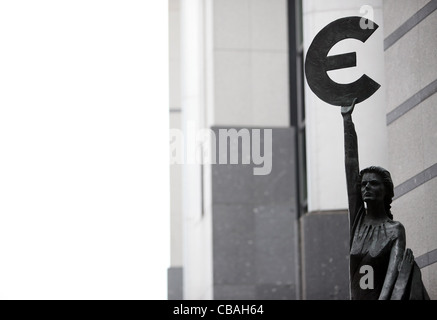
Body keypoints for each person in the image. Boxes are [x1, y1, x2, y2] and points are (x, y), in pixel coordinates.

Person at [342, 98, 429, 300]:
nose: (366, 188)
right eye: (363, 184)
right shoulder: (357, 222)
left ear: (386, 190)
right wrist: (347, 120)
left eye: (373, 183)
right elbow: (350, 164)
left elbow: (391, 279)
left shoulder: (395, 230)